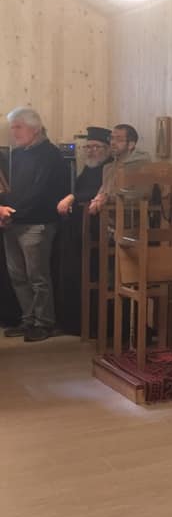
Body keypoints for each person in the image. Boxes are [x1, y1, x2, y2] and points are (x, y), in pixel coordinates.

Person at [0, 107, 68, 342]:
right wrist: (3, 210)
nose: (14, 132)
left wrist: (11, 213)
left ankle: (44, 323)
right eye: (13, 127)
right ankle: (28, 319)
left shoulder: (51, 155)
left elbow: (41, 193)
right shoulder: (17, 154)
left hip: (37, 223)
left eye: (18, 127)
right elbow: (9, 190)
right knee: (18, 276)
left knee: (38, 278)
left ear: (35, 128)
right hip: (13, 222)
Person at [54, 126, 111, 336]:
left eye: (96, 147)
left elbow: (97, 192)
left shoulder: (109, 168)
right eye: (88, 147)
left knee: (92, 276)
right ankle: (73, 323)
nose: (91, 151)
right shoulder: (88, 168)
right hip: (79, 230)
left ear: (107, 149)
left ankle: (94, 326)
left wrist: (72, 197)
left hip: (96, 232)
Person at [87, 124, 151, 214]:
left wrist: (108, 198)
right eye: (112, 138)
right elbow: (102, 192)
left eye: (118, 139)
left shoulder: (142, 164)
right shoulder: (108, 167)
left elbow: (142, 194)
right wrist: (97, 199)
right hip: (109, 217)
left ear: (131, 144)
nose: (113, 143)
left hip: (134, 219)